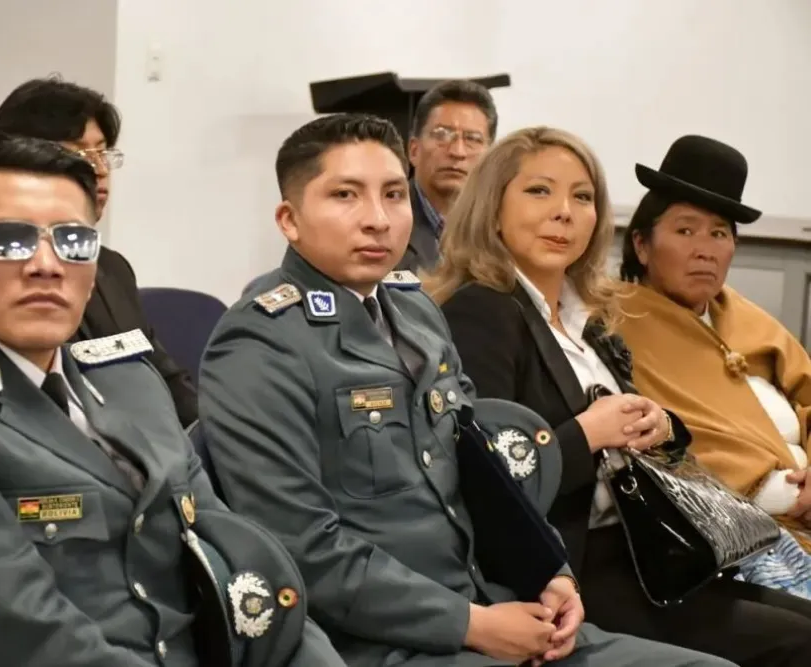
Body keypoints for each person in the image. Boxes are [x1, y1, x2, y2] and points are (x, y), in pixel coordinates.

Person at [197, 113, 734, 667]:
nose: (378, 220)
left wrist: (549, 573)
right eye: (345, 196)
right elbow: (300, 547)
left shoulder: (414, 311)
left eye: (394, 195)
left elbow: (479, 466)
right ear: (289, 219)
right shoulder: (259, 343)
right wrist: (470, 625)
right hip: (380, 642)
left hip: (493, 603)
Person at [0, 134, 342, 667]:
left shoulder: (131, 384)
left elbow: (239, 565)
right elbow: (28, 635)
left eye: (74, 241)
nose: (47, 265)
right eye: (11, 240)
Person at [424, 125, 811, 666]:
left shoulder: (590, 318)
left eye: (582, 197)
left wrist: (658, 422)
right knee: (797, 643)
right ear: (492, 209)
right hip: (570, 566)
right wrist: (589, 434)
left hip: (650, 548)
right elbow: (484, 476)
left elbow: (658, 431)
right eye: (539, 191)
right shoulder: (482, 310)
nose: (564, 211)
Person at [615, 135, 811, 590]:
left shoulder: (741, 313)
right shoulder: (617, 321)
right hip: (745, 536)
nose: (705, 248)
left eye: (719, 233)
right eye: (685, 231)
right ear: (642, 245)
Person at [0, 76, 198, 426]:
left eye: (102, 152)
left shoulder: (111, 267)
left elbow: (166, 380)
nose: (99, 170)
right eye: (78, 154)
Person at [397, 79, 498, 274]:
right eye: (442, 134)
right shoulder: (386, 221)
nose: (457, 151)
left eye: (472, 139)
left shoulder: (501, 227)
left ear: (491, 156)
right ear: (414, 150)